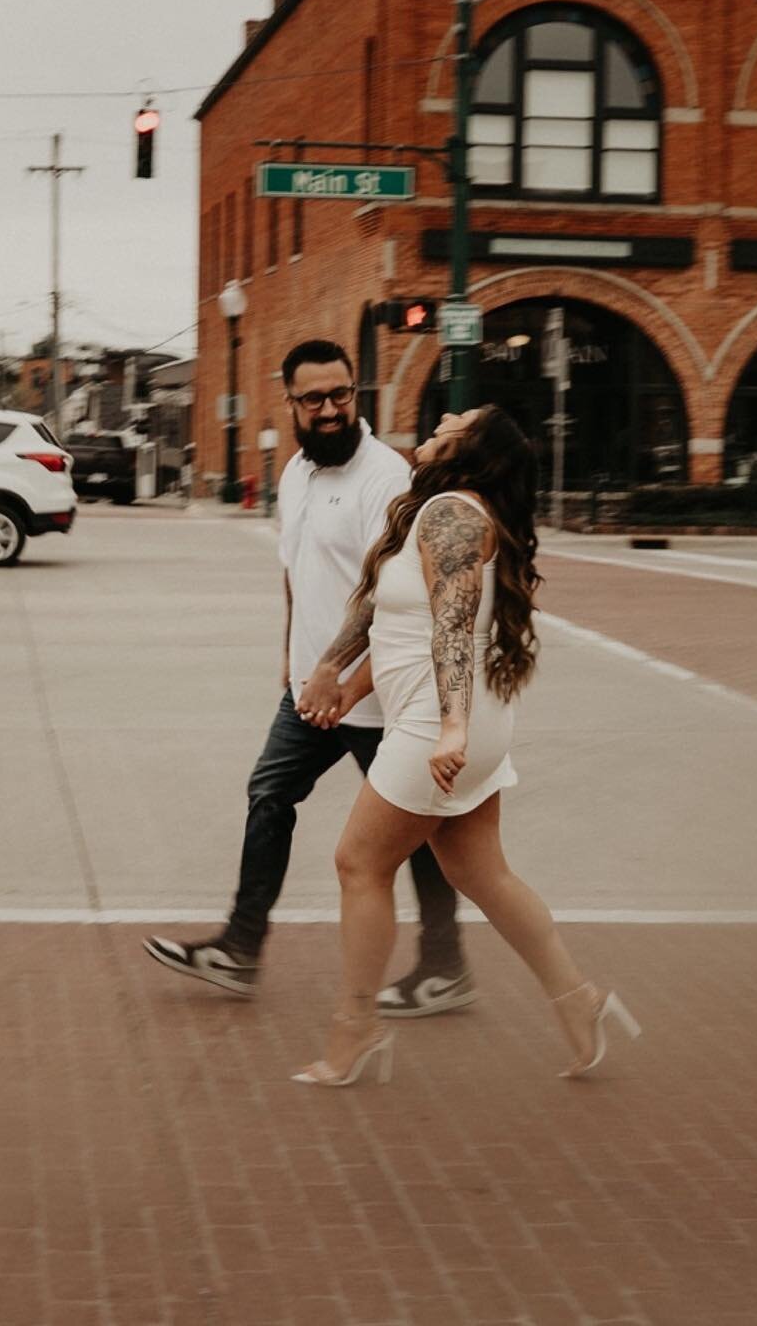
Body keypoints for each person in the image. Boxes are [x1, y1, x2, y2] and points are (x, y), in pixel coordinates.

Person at [290, 404, 640, 1088]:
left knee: (358, 863)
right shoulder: (435, 510)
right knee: (482, 875)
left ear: (471, 447)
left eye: (459, 417)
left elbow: (452, 628)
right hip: (454, 718)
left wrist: (449, 727)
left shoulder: (454, 514)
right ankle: (580, 1001)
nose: (443, 416)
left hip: (440, 723)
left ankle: (353, 1032)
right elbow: (389, 615)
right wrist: (338, 673)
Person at [143, 340, 474, 1016]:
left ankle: (446, 965)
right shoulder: (294, 472)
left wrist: (335, 671)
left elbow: (391, 591)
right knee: (270, 794)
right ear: (289, 401)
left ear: (357, 393)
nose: (330, 410)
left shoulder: (387, 478)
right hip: (310, 691)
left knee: (422, 835)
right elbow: (297, 572)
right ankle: (240, 948)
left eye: (341, 395)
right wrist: (292, 657)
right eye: (314, 399)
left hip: (377, 694)